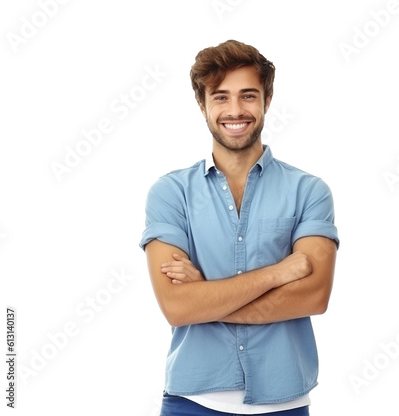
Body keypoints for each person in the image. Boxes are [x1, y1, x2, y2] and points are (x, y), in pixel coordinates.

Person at [139, 39, 339, 416]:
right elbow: (176, 307)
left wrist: (205, 298)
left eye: (248, 95)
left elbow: (314, 297)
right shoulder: (171, 193)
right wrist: (280, 272)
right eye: (220, 97)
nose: (235, 110)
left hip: (285, 402)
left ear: (267, 99)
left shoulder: (309, 191)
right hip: (192, 402)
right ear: (202, 105)